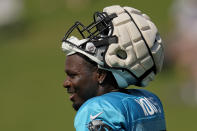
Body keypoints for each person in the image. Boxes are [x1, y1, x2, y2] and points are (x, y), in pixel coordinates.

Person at [61, 5, 166, 131]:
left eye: (73, 75)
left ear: (100, 75)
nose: (65, 83)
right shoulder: (150, 100)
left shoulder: (97, 109)